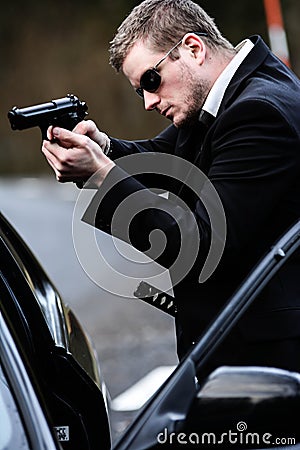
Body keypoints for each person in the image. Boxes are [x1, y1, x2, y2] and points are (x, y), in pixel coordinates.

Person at [42, 0, 300, 374]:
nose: (148, 101)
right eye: (139, 90)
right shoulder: (223, 95)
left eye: (151, 80)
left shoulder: (259, 112)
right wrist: (105, 148)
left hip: (267, 367)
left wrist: (100, 175)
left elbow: (199, 245)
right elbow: (163, 160)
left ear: (193, 49)